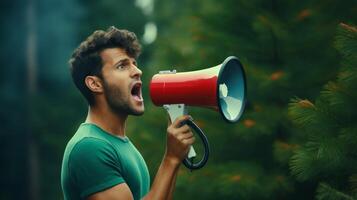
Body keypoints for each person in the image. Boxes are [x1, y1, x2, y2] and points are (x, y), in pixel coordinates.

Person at [61, 26, 195, 200]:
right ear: (95, 84)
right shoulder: (90, 147)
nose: (137, 71)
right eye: (122, 66)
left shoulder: (119, 144)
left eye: (134, 63)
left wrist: (175, 159)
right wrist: (171, 159)